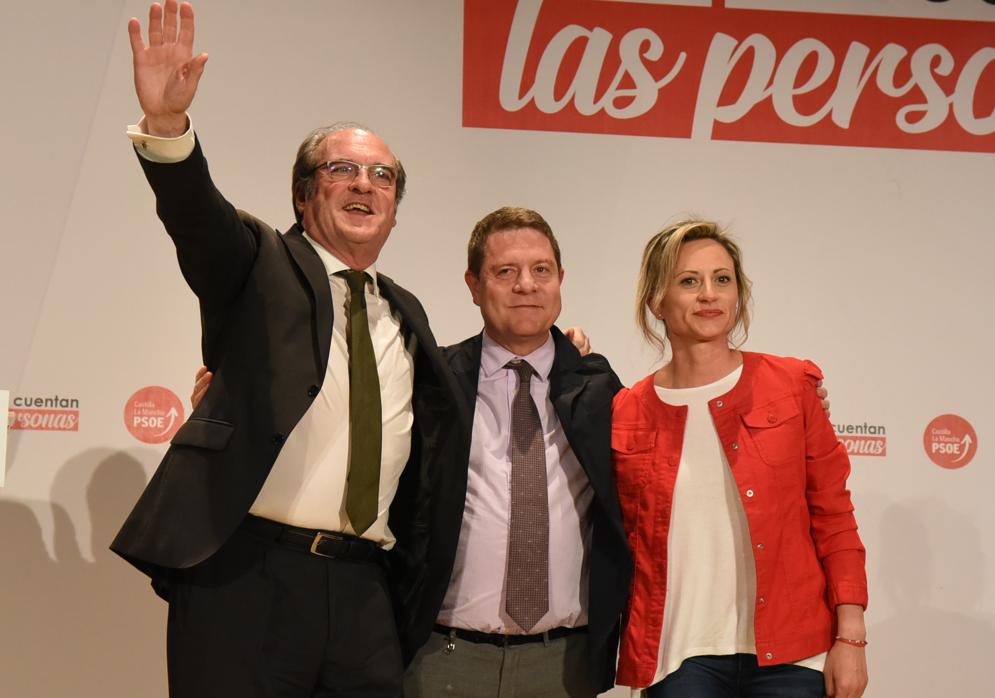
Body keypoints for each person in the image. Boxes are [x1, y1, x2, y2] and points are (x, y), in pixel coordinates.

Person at [109, 2, 467, 696]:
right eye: (343, 169)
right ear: (306, 195)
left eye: (383, 176)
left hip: (366, 588)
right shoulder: (260, 262)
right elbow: (198, 218)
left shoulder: (406, 312)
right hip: (249, 578)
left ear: (396, 205)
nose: (366, 185)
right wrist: (166, 129)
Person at [611, 221, 869, 698]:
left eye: (722, 279)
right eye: (689, 281)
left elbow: (834, 516)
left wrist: (850, 634)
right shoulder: (625, 410)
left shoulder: (792, 385)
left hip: (794, 655)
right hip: (678, 658)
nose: (709, 294)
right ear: (656, 301)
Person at [403, 207, 631, 697]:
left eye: (541, 270)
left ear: (560, 280)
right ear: (473, 284)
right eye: (505, 271)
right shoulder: (431, 381)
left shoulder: (599, 388)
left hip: (564, 663)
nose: (526, 285)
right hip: (442, 660)